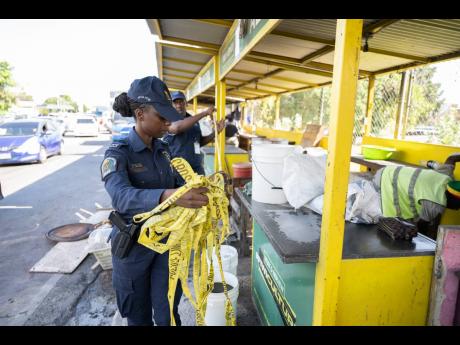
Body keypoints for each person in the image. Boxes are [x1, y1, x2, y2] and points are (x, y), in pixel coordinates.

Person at [101, 76, 209, 326]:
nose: (168, 122)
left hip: (166, 244)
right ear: (140, 114)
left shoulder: (163, 150)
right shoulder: (118, 153)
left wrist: (197, 188)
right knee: (138, 317)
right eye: (162, 117)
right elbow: (121, 196)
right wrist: (168, 196)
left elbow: (176, 185)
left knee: (168, 311)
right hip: (133, 248)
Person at [372, 153, 460, 239]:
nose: (457, 209)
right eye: (458, 206)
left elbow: (452, 157)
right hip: (384, 182)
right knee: (400, 226)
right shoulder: (434, 206)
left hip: (389, 170)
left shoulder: (446, 175)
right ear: (453, 201)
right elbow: (422, 228)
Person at [163, 91, 225, 176]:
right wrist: (204, 113)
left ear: (186, 103)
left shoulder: (194, 121)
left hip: (197, 168)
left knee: (202, 189)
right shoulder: (168, 120)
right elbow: (178, 128)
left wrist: (216, 132)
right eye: (175, 102)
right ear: (171, 105)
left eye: (181, 102)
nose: (178, 105)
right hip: (179, 170)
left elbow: (199, 142)